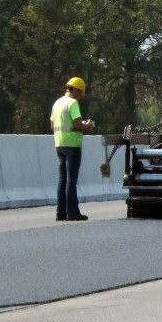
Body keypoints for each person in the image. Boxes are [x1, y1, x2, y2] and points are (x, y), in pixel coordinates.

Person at [50, 77, 95, 221]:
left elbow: (52, 126)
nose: (81, 96)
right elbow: (77, 124)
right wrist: (87, 125)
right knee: (71, 180)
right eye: (81, 93)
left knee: (62, 179)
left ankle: (61, 213)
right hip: (73, 145)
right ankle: (73, 212)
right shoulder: (73, 103)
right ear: (75, 90)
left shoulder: (57, 103)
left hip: (59, 144)